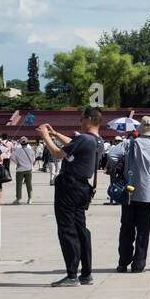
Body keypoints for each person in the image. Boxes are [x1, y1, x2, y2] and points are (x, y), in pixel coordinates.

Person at [38, 108, 104, 287]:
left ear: (89, 119)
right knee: (81, 229)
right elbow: (72, 144)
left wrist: (45, 136)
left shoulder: (84, 139)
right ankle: (86, 273)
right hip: (82, 187)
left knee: (67, 229)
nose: (80, 121)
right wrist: (56, 134)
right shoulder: (98, 140)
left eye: (82, 118)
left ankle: (72, 274)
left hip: (69, 186)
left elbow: (58, 154)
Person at [108, 116, 150, 273]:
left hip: (128, 192)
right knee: (143, 230)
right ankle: (138, 264)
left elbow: (111, 155)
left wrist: (121, 165)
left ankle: (123, 262)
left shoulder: (128, 144)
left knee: (126, 227)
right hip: (147, 194)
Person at [11, 137, 36, 204]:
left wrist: (17, 162)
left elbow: (11, 156)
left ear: (21, 143)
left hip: (20, 169)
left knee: (19, 185)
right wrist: (31, 165)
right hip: (28, 169)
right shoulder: (31, 150)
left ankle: (18, 198)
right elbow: (33, 160)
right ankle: (30, 198)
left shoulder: (17, 150)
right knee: (29, 184)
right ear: (27, 142)